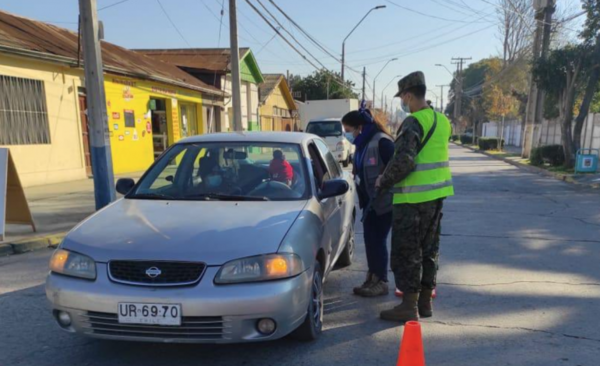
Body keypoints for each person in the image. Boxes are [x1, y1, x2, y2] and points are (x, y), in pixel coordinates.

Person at [375, 71, 454, 322]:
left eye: (402, 97)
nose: (402, 102)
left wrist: (382, 180)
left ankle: (408, 306)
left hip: (412, 200)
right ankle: (425, 303)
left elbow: (405, 161)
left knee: (407, 253)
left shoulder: (413, 122)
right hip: (436, 197)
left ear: (408, 95)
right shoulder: (443, 121)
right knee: (429, 249)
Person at [342, 107, 395, 297]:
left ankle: (381, 281)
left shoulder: (382, 142)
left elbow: (399, 168)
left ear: (360, 127)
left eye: (348, 130)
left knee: (377, 241)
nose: (347, 135)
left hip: (384, 203)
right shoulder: (362, 144)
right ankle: (372, 277)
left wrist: (385, 178)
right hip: (369, 203)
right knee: (370, 241)